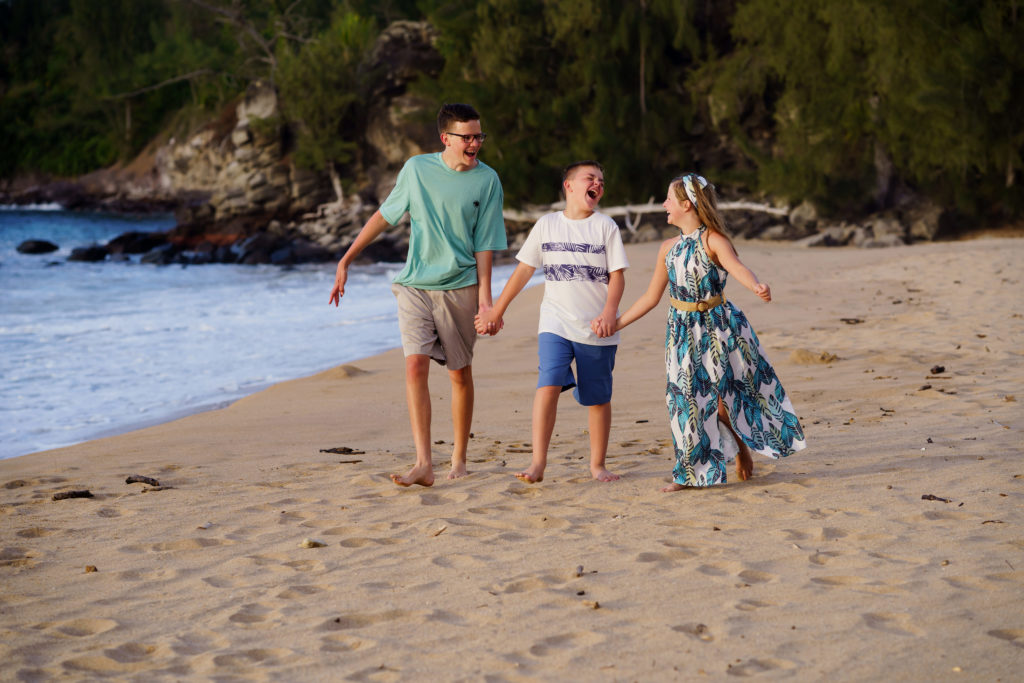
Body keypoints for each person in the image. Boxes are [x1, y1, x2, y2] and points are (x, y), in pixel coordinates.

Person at [329, 103, 507, 487]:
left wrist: (487, 300)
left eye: (479, 136)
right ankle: (423, 462)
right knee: (415, 366)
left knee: (459, 374)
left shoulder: (488, 181)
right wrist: (346, 259)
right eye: (468, 136)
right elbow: (384, 215)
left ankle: (458, 457)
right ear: (446, 138)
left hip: (461, 287)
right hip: (414, 284)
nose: (475, 143)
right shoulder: (416, 170)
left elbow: (485, 245)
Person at [614, 173, 806, 491]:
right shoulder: (667, 249)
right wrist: (617, 323)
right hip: (681, 333)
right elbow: (650, 297)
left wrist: (756, 284)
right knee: (685, 400)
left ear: (686, 205)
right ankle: (690, 474)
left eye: (668, 200)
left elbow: (737, 266)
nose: (664, 205)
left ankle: (743, 450)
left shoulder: (713, 240)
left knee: (726, 396)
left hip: (719, 325)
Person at [475, 161, 627, 483]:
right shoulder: (546, 225)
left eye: (601, 181)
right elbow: (523, 272)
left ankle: (597, 465)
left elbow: (617, 277)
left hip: (595, 327)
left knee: (597, 398)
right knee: (548, 383)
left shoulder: (606, 227)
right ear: (569, 186)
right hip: (554, 322)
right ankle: (538, 463)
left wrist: (610, 312)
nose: (598, 185)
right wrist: (497, 310)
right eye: (591, 179)